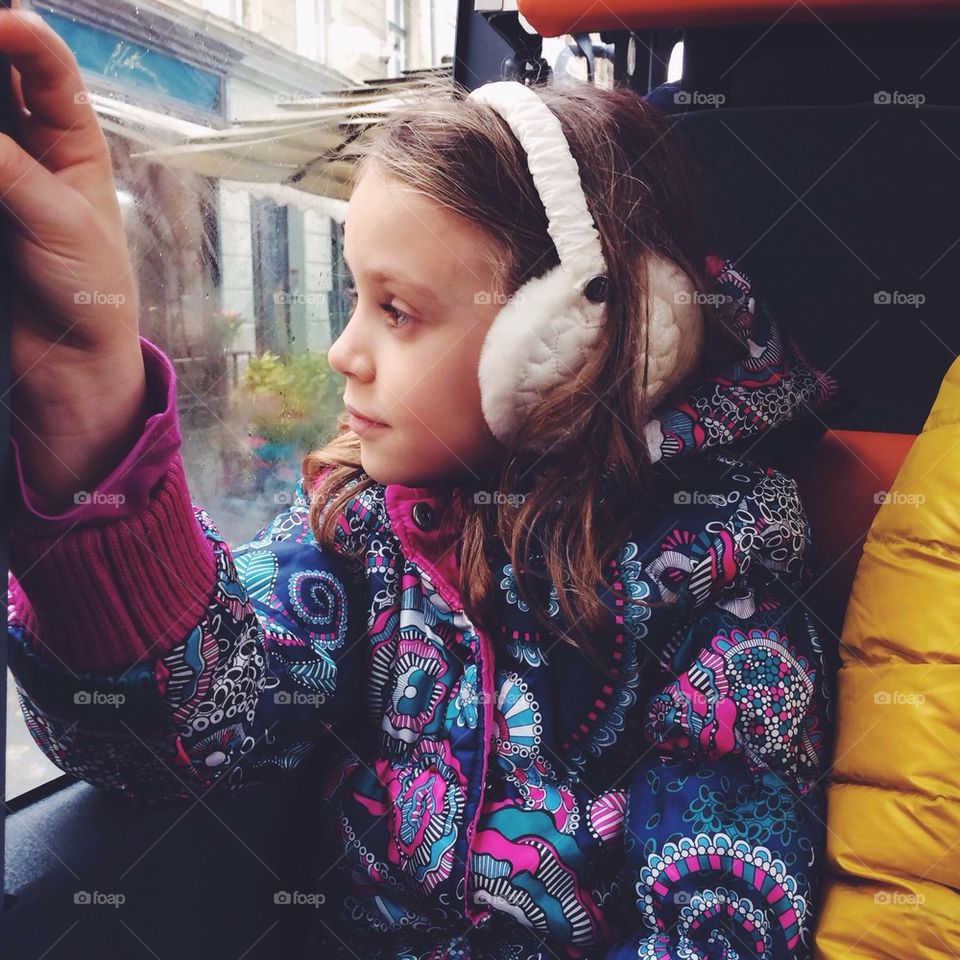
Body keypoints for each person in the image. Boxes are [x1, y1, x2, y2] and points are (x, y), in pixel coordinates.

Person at [2, 10, 841, 960]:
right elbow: (188, 720)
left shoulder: (723, 614)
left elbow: (719, 931)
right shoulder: (362, 532)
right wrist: (89, 412)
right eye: (354, 296)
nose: (341, 352)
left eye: (396, 310)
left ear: (567, 340)